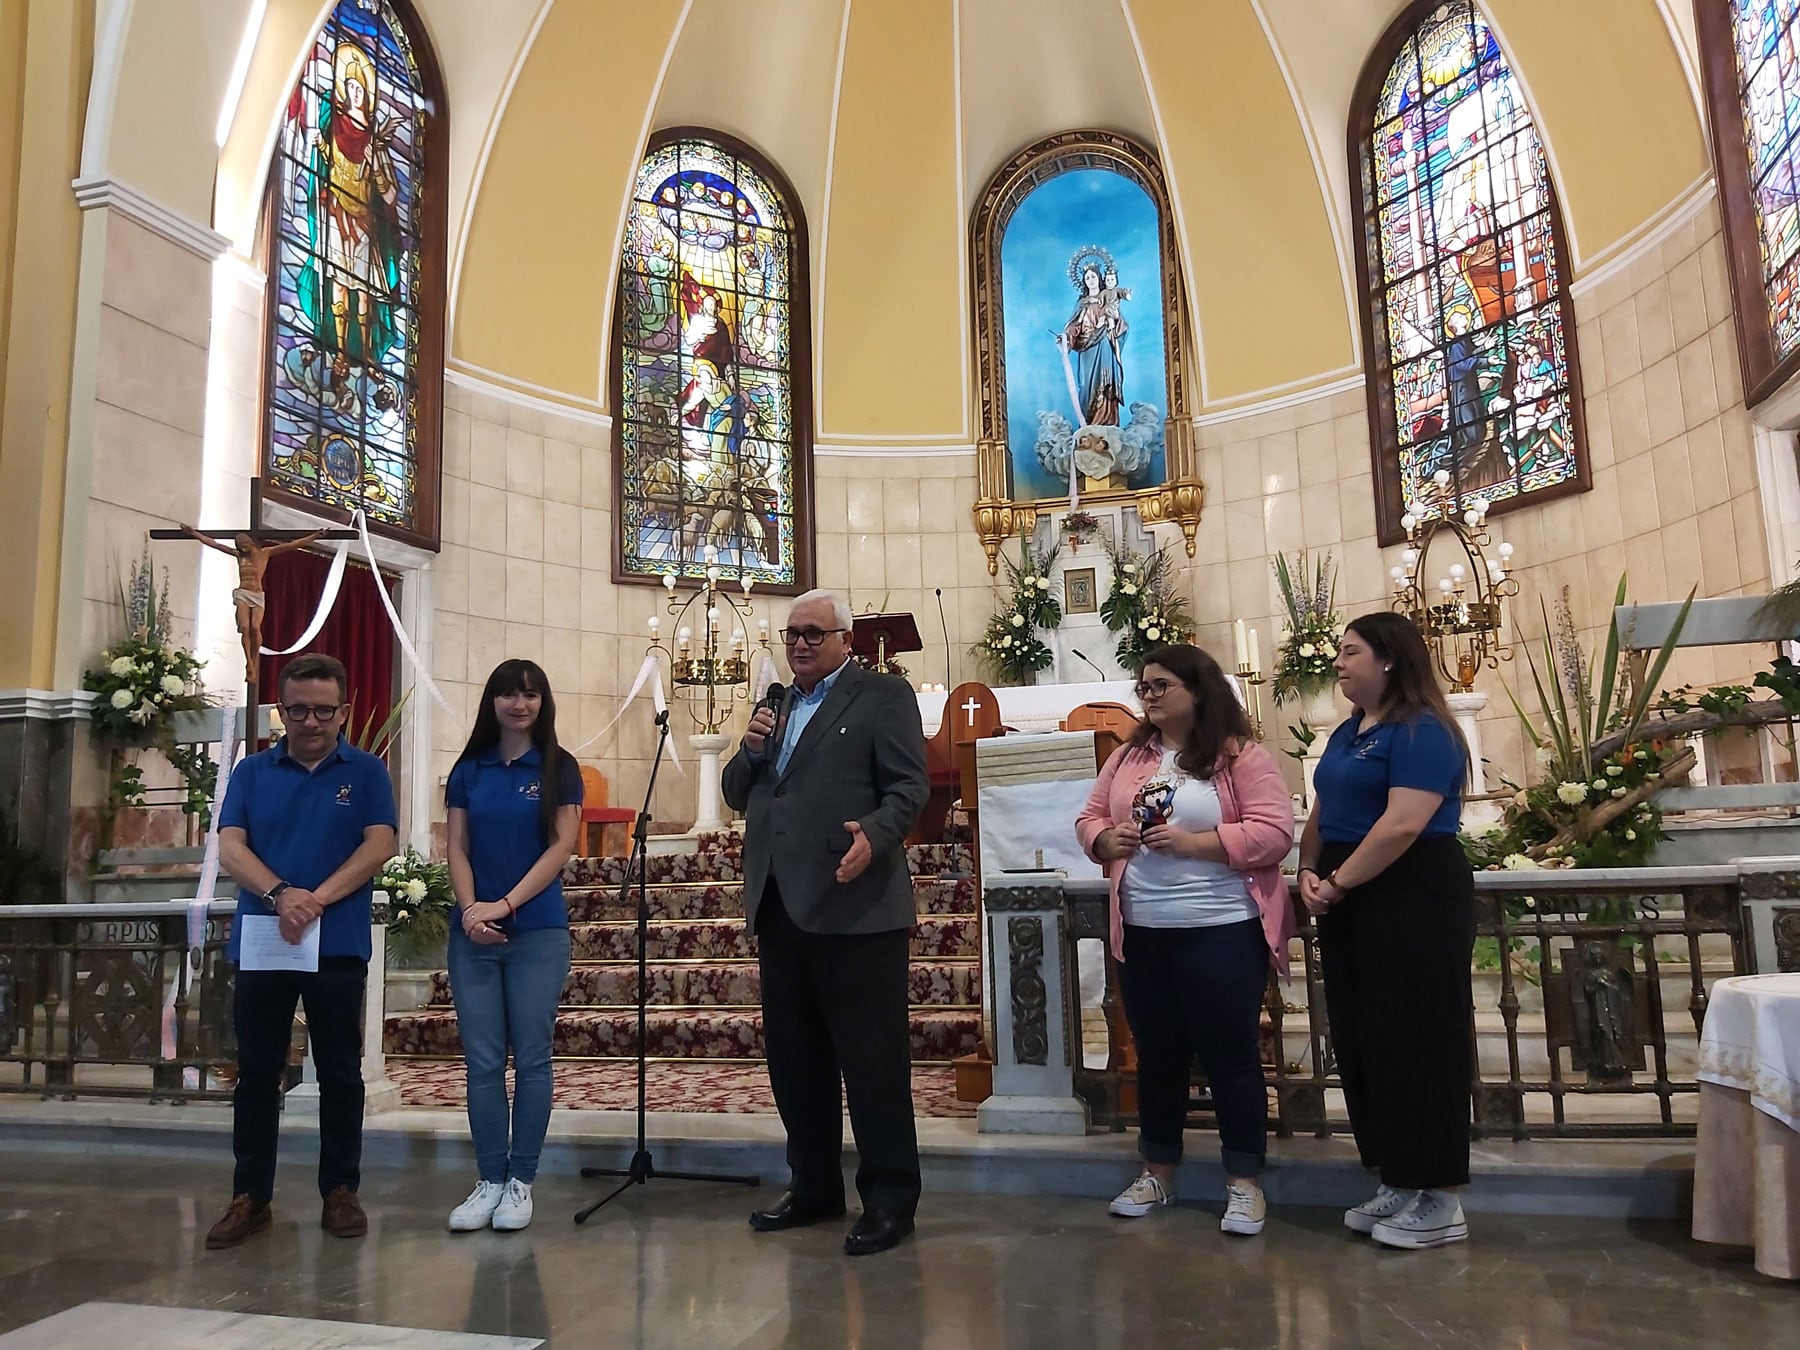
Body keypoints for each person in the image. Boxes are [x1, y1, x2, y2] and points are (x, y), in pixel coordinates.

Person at [721, 588, 929, 1256]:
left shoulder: (882, 696)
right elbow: (736, 791)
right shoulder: (775, 704)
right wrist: (752, 750)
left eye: (815, 633)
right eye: (792, 635)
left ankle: (891, 1199)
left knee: (872, 1064)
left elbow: (908, 787)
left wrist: (875, 832)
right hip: (782, 904)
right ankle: (813, 1186)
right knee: (797, 1062)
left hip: (856, 905)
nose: (802, 644)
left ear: (846, 639)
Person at [1074, 644, 1296, 1235]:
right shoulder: (1128, 756)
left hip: (1221, 927)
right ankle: (1158, 1171)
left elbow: (1275, 833)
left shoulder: (1239, 756)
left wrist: (1198, 844)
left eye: (1161, 685)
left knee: (1230, 1055)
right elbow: (1089, 816)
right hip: (1145, 930)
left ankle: (1244, 1182)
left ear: (1197, 690)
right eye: (1143, 686)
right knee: (1159, 1055)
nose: (1148, 695)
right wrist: (1105, 841)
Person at [206, 652, 398, 1249]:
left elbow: (381, 843)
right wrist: (281, 894)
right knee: (258, 1073)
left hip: (336, 941)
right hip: (266, 939)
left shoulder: (365, 772)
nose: (310, 721)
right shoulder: (252, 772)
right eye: (297, 710)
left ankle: (340, 1191)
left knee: (340, 1071)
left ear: (343, 711)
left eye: (322, 710)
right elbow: (231, 846)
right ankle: (250, 1196)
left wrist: (314, 900)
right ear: (280, 712)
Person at [1297, 612, 1475, 1250]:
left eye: (1350, 652)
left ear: (1390, 659)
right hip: (1351, 890)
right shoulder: (1349, 732)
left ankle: (1441, 1196)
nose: (1339, 663)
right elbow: (1323, 809)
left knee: (1419, 1035)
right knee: (1365, 1035)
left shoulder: (1423, 729)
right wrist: (1308, 870)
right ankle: (1399, 1175)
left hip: (1411, 890)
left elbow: (1403, 824)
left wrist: (1340, 880)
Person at [441, 659, 583, 1233]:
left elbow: (560, 848)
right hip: (472, 933)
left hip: (536, 931)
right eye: (507, 694)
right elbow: (456, 846)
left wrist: (504, 906)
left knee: (530, 1058)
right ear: (491, 702)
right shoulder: (469, 768)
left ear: (543, 702)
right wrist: (473, 910)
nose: (519, 705)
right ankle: (489, 1179)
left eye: (529, 695)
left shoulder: (559, 767)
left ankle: (521, 1181)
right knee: (480, 1062)